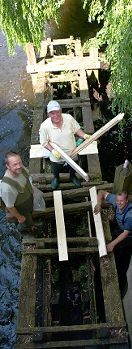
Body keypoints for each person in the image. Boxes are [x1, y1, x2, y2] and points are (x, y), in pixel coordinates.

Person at [39, 100, 90, 190]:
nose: (56, 115)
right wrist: (53, 150)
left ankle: (72, 177)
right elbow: (44, 142)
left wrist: (84, 135)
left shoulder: (69, 118)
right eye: (52, 113)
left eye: (57, 112)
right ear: (48, 114)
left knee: (72, 167)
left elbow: (77, 129)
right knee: (56, 169)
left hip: (72, 152)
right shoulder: (44, 126)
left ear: (61, 110)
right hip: (57, 155)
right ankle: (56, 178)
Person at [94, 190, 132, 297]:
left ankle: (120, 282)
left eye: (122, 201)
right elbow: (101, 192)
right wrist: (99, 204)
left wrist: (111, 245)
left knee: (122, 258)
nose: (119, 203)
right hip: (119, 229)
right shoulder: (116, 201)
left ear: (127, 200)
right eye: (118, 201)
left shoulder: (130, 215)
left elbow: (125, 234)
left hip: (128, 237)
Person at [1, 151, 38, 233]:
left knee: (30, 212)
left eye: (20, 162)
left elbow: (27, 179)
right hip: (22, 209)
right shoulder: (7, 187)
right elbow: (10, 206)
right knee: (26, 221)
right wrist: (19, 217)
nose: (19, 166)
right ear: (8, 166)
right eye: (15, 164)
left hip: (28, 201)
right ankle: (26, 228)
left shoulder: (21, 169)